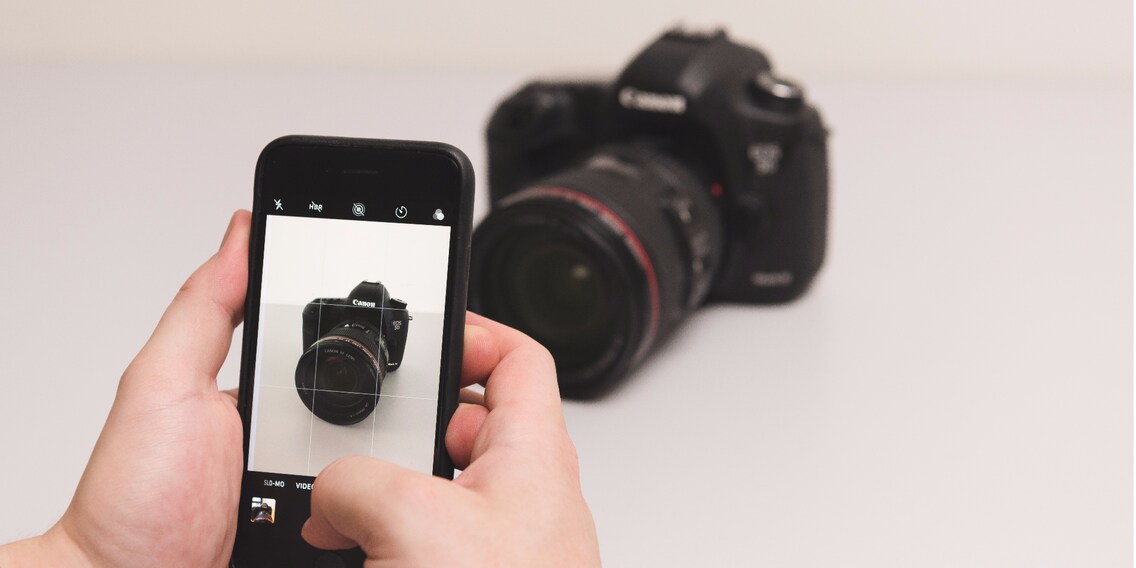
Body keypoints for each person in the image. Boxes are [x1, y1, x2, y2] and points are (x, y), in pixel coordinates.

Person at [0, 211, 601, 567]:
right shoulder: (322, 316)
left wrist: (82, 557)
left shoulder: (394, 325)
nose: (340, 369)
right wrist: (89, 556)